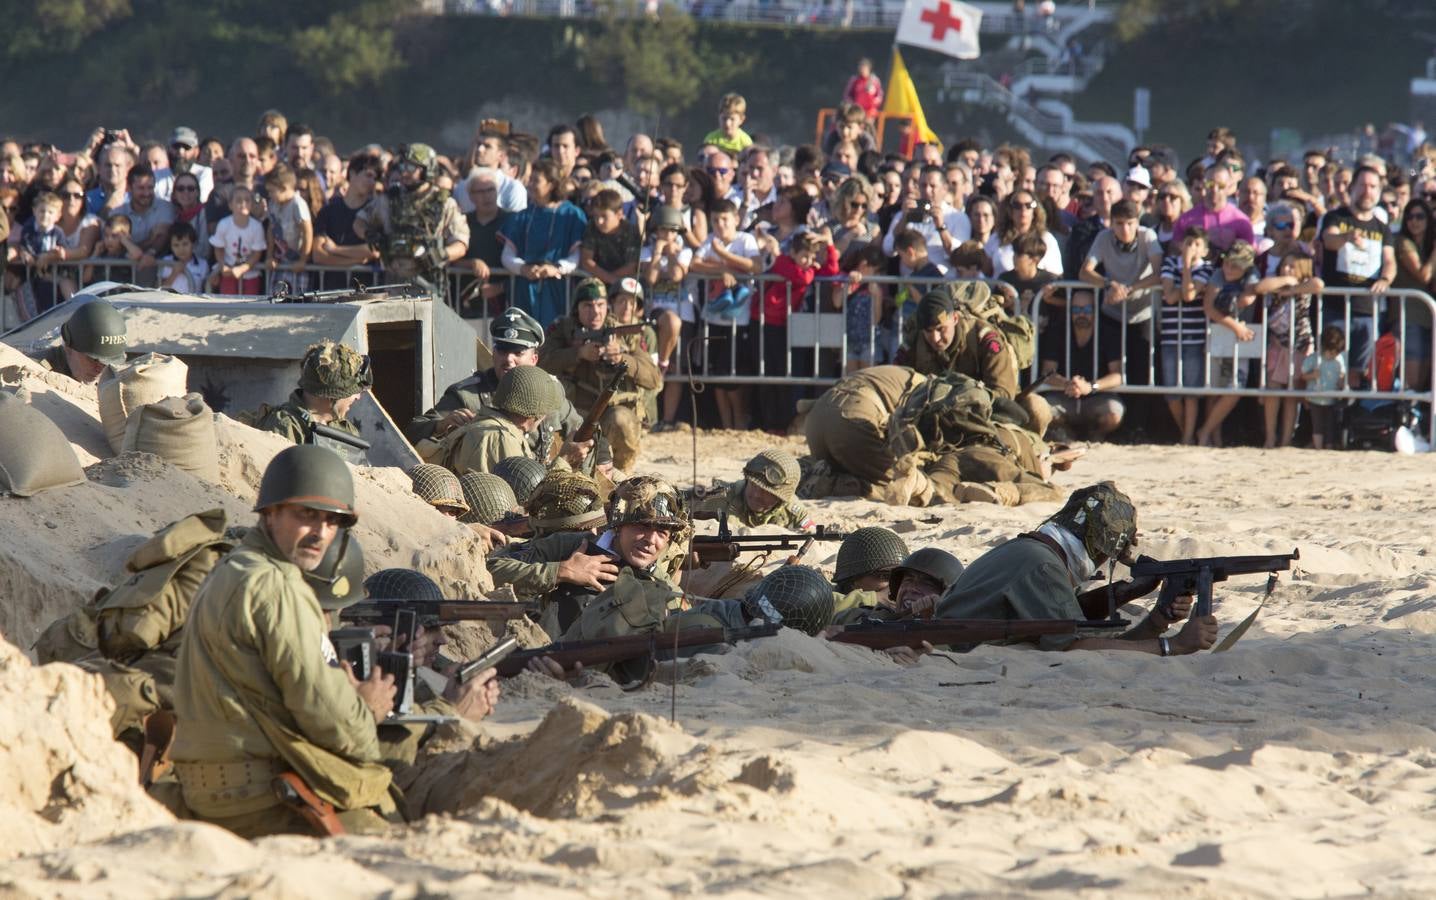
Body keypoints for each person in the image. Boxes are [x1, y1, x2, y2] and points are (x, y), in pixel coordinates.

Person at [171, 445, 500, 838]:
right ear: (270, 512)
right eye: (306, 515)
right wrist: (370, 705)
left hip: (225, 786)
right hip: (265, 797)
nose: (320, 533)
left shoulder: (235, 570)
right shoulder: (277, 587)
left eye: (332, 521)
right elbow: (340, 728)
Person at [935, 482, 1218, 655]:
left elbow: (1093, 644)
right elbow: (1076, 649)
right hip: (949, 651)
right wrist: (1174, 646)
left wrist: (1156, 621)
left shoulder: (1028, 550)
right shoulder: (1042, 566)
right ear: (1098, 548)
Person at [498, 475, 690, 640]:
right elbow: (489, 570)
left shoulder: (663, 586)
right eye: (642, 527)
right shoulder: (568, 547)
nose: (651, 540)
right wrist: (559, 571)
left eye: (662, 533)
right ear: (619, 525)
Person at [538, 278, 662, 471]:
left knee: (621, 420)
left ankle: (621, 474)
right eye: (588, 305)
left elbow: (654, 378)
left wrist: (623, 358)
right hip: (575, 412)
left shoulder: (624, 332)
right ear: (576, 308)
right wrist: (577, 354)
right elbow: (540, 362)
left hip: (613, 415)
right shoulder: (563, 330)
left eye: (600, 305)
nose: (595, 312)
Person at [354, 143, 469, 303]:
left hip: (429, 288)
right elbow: (360, 221)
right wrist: (369, 234)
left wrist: (441, 254)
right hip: (393, 287)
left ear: (426, 169)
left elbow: (461, 243)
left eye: (411, 167)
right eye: (402, 166)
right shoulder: (389, 200)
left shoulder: (444, 203)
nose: (404, 172)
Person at [500, 158, 586, 327]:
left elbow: (576, 255)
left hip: (558, 290)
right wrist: (522, 268)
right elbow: (507, 255)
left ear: (552, 184)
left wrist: (556, 268)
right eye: (530, 179)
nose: (530, 184)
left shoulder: (572, 214)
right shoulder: (521, 216)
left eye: (536, 180)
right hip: (524, 289)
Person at [440, 365, 565, 476]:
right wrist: (565, 460)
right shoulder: (501, 438)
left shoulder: (491, 426)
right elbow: (526, 497)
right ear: (537, 415)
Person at [253, 341, 371, 456]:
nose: (358, 397)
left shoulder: (346, 429)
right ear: (332, 394)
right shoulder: (285, 426)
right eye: (353, 392)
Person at [1038, 290, 1125, 440]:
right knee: (1041, 411)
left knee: (1113, 414)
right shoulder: (1058, 331)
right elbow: (1047, 372)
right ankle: (1067, 433)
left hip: (1098, 396)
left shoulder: (1108, 332)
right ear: (1070, 311)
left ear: (1095, 311)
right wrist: (1067, 384)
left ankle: (1096, 435)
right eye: (1076, 309)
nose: (1081, 314)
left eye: (1087, 310)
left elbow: (1117, 376)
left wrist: (1090, 387)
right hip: (1064, 394)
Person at [1158, 226, 1215, 444]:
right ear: (1181, 244)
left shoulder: (1206, 268)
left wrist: (1186, 270)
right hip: (1171, 335)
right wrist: (1184, 274)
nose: (1191, 248)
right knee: (1172, 391)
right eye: (1188, 242)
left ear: (1205, 250)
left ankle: (1188, 436)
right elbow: (1171, 297)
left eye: (1197, 244)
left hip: (1194, 337)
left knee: (1191, 392)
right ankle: (1186, 432)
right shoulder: (1170, 262)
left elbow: (1189, 294)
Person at [1260, 251, 1321, 448]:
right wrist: (1285, 280)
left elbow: (1318, 284)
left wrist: (1293, 289)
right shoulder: (1276, 285)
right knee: (1273, 390)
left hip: (1299, 345)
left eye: (1292, 266)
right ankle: (1270, 436)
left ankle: (1286, 439)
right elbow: (1260, 287)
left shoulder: (1304, 286)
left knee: (1292, 395)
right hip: (1277, 344)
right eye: (1285, 265)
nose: (1288, 269)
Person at [691, 448, 813, 531]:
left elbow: (813, 540)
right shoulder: (720, 498)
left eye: (766, 492)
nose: (756, 494)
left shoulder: (794, 513)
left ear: (780, 497)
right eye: (753, 485)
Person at [312, 152, 382, 291]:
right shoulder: (328, 211)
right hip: (329, 290)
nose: (372, 182)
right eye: (368, 175)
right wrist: (355, 261)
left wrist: (335, 250)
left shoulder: (375, 213)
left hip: (364, 292)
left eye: (375, 178)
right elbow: (318, 255)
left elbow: (373, 251)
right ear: (353, 173)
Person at [34, 298, 128, 383]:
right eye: (93, 360)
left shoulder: (111, 379)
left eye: (107, 363)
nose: (100, 369)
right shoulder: (35, 371)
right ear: (68, 346)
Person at [207, 185, 265, 294]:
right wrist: (222, 265)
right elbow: (218, 248)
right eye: (238, 200)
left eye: (247, 200)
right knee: (227, 304)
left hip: (251, 274)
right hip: (228, 272)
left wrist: (243, 268)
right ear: (230, 205)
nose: (243, 204)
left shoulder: (257, 226)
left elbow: (257, 253)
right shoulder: (224, 224)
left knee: (250, 305)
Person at [264, 163, 313, 294]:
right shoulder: (273, 204)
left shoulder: (298, 204)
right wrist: (270, 256)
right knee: (275, 297)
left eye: (271, 191)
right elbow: (271, 229)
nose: (269, 195)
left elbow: (307, 232)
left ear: (284, 188)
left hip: (296, 262)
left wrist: (303, 260)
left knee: (297, 299)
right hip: (280, 262)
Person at [578, 188, 641, 286]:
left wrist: (610, 280)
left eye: (604, 216)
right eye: (595, 216)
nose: (599, 221)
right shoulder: (591, 228)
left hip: (623, 284)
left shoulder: (630, 231)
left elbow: (632, 266)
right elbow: (586, 260)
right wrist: (608, 279)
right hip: (598, 282)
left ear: (619, 214)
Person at [1301, 325, 1347, 450]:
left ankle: (1329, 446)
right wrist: (1312, 375)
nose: (1333, 356)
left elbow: (1342, 373)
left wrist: (1341, 382)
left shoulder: (1339, 359)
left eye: (1336, 353)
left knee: (1330, 424)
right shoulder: (1314, 358)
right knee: (1317, 425)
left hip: (1332, 398)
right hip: (1315, 398)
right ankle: (1318, 447)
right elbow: (1303, 375)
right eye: (1331, 352)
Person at [158, 222, 209, 294]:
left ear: (193, 244)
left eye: (185, 244)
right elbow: (160, 289)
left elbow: (206, 289)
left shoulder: (203, 264)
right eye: (176, 245)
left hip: (194, 304)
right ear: (171, 246)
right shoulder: (166, 261)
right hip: (171, 303)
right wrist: (174, 273)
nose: (181, 249)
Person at [703, 93, 753, 157]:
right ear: (718, 117)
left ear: (741, 120)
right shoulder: (711, 140)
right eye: (724, 118)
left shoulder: (746, 142)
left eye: (732, 119)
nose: (727, 123)